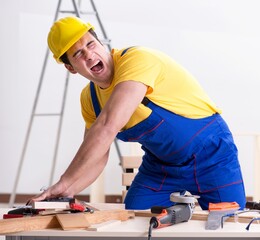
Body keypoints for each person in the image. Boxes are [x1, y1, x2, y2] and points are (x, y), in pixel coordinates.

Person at [30, 16, 246, 210]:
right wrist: (67, 191)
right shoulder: (90, 99)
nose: (89, 55)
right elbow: (96, 157)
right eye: (78, 54)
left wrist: (65, 180)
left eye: (91, 44)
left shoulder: (137, 60)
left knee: (228, 224)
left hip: (212, 156)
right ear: (71, 68)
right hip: (161, 168)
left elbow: (108, 125)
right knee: (134, 217)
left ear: (101, 43)